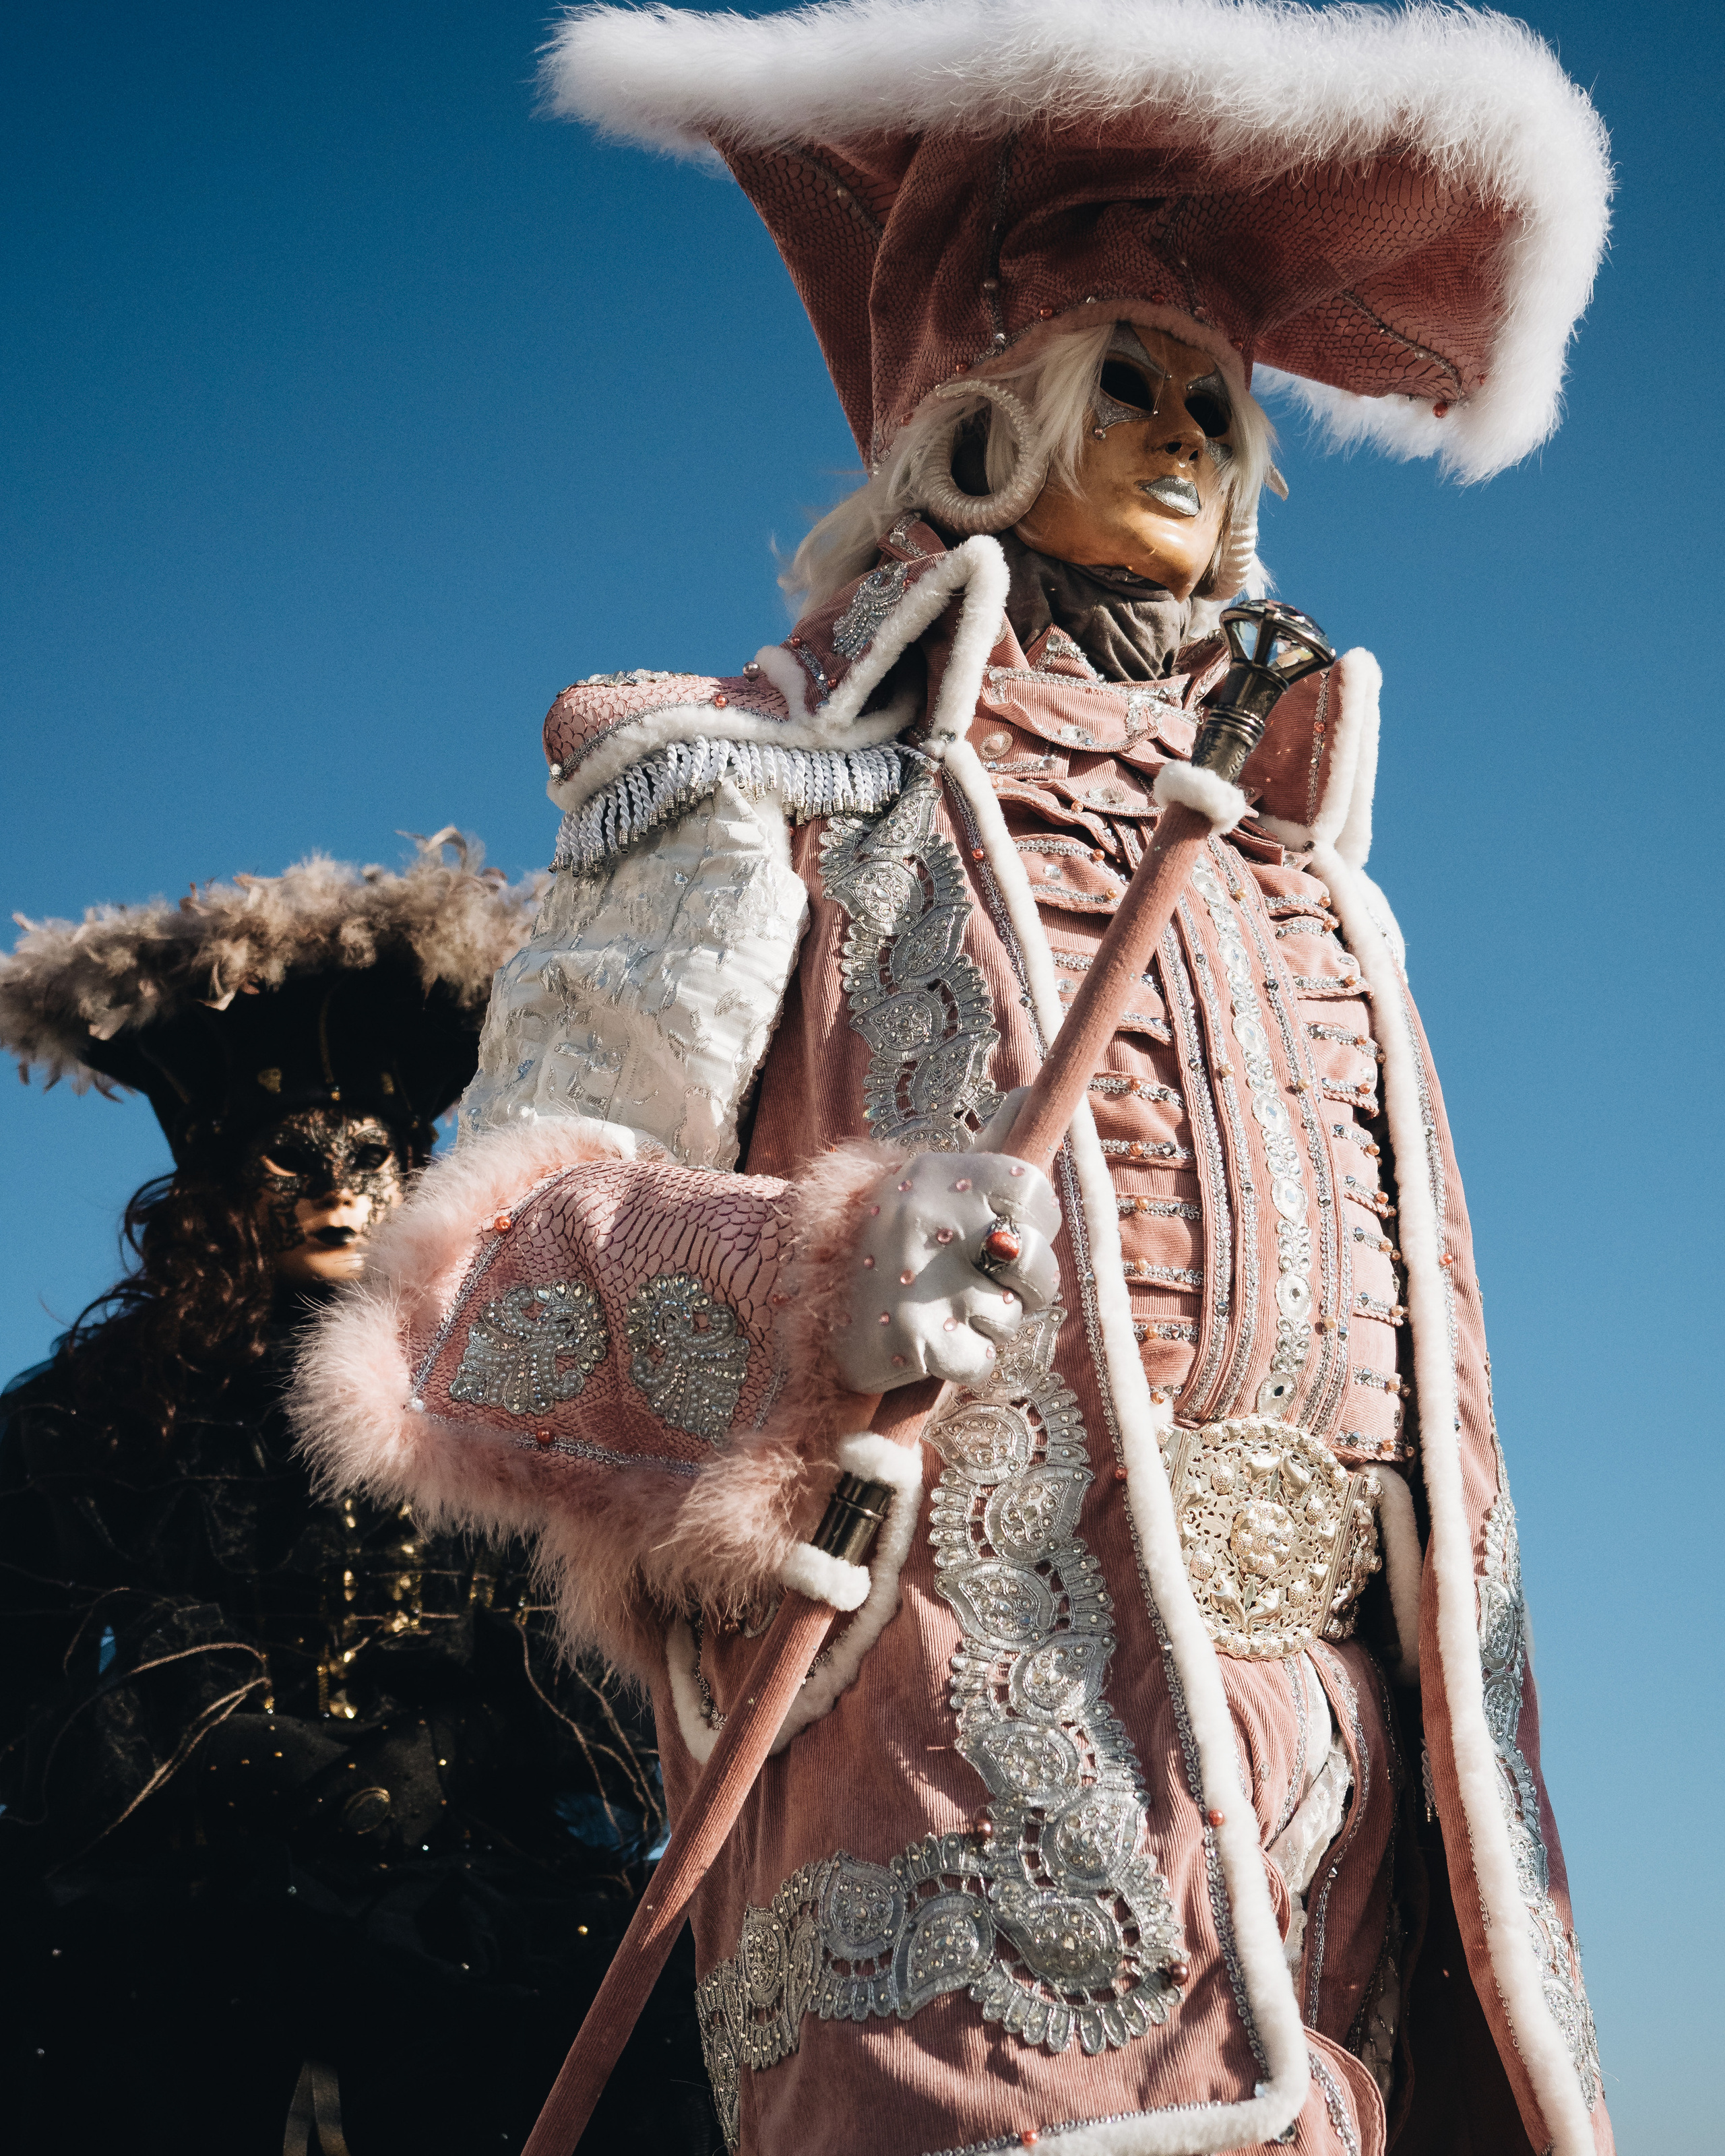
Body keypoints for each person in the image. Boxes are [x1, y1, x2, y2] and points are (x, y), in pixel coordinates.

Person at [294, 7, 1614, 2152]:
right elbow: (479, 1286)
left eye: (1220, 400)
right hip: (959, 1825)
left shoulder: (1321, 889)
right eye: (1131, 380)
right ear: (981, 419)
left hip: (1346, 1833)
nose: (1190, 429)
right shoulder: (752, 785)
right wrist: (822, 1274)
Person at [0, 835, 720, 2156]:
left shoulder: (508, 1387)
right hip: (175, 1907)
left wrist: (435, 1767)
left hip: (475, 1902)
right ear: (220, 1177)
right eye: (294, 1151)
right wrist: (270, 1773)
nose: (338, 1183)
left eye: (372, 1148)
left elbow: (583, 1653)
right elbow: (57, 1662)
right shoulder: (81, 1419)